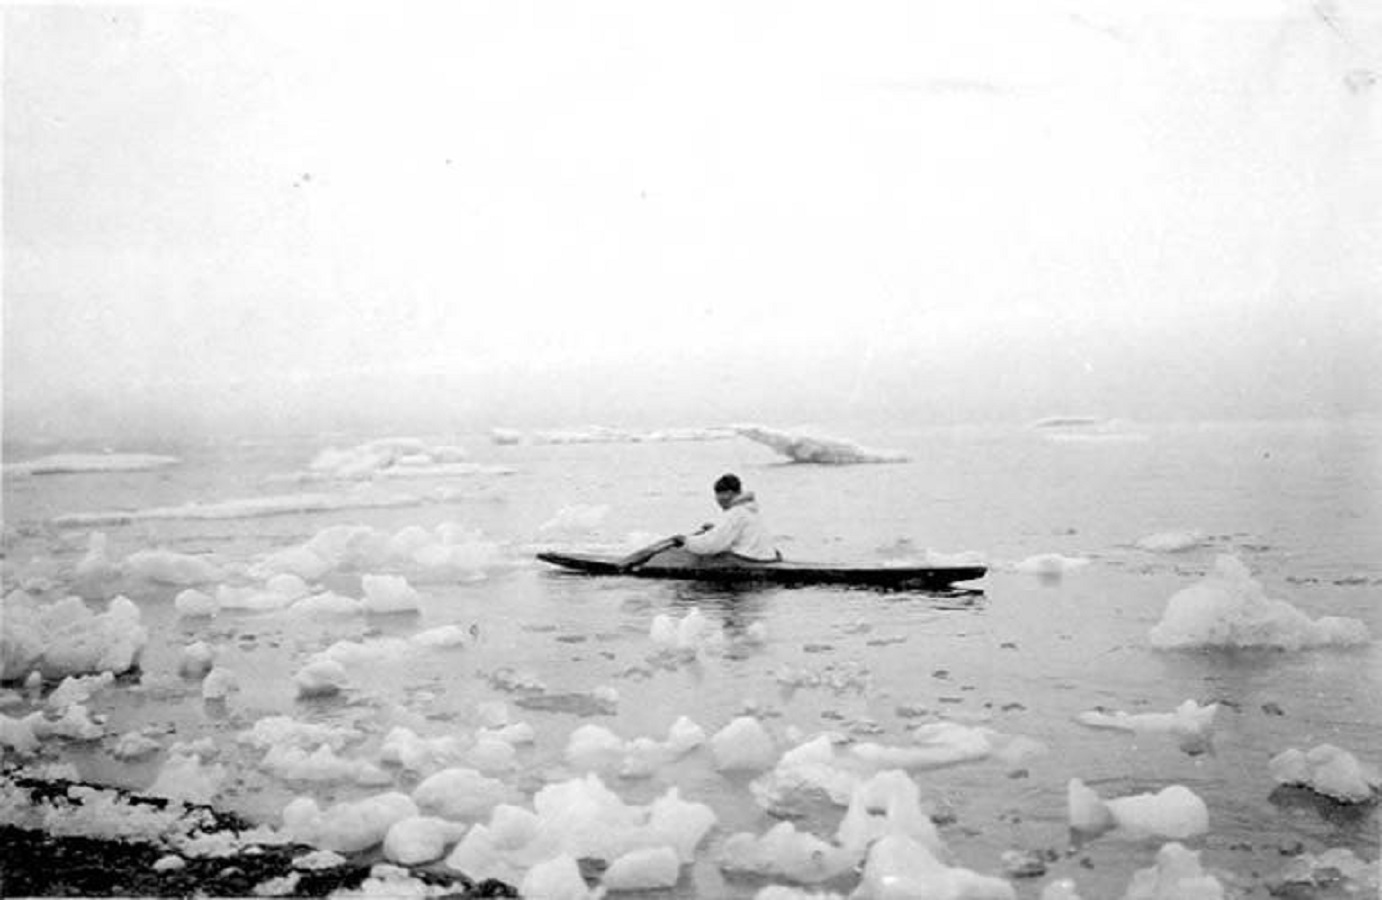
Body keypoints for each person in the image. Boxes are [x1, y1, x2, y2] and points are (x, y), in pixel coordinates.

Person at [672, 473, 781, 562]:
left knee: (704, 557)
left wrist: (686, 541)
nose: (717, 499)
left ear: (729, 493)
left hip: (749, 561)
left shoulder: (736, 513)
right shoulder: (751, 511)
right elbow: (730, 534)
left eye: (719, 494)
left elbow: (712, 544)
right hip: (767, 559)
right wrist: (715, 529)